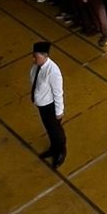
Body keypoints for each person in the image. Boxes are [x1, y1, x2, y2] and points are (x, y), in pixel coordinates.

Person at [29, 41, 66, 169]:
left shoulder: (53, 71)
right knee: (49, 129)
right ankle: (53, 148)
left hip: (50, 106)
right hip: (42, 105)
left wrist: (59, 111)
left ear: (45, 55)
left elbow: (58, 92)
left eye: (36, 56)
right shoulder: (36, 67)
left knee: (56, 130)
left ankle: (60, 151)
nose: (34, 59)